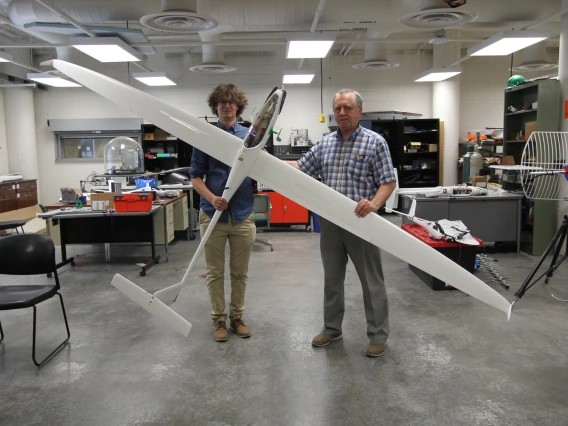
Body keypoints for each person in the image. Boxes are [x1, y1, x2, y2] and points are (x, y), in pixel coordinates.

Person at [285, 89, 397, 357]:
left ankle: (378, 336)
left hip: (363, 222)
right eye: (338, 108)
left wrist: (375, 203)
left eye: (347, 108)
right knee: (332, 280)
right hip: (331, 223)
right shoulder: (325, 144)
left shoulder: (375, 142)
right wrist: (266, 160)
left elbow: (387, 181)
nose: (342, 113)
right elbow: (300, 168)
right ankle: (332, 329)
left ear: (359, 111)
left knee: (372, 282)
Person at [189, 84, 256, 342]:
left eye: (231, 102)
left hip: (242, 214)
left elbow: (260, 168)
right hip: (212, 215)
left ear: (237, 106)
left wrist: (261, 156)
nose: (227, 106)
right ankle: (218, 320)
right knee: (214, 272)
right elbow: (195, 176)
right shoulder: (205, 136)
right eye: (222, 102)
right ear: (215, 106)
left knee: (240, 272)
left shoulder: (251, 136)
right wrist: (211, 198)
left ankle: (237, 318)